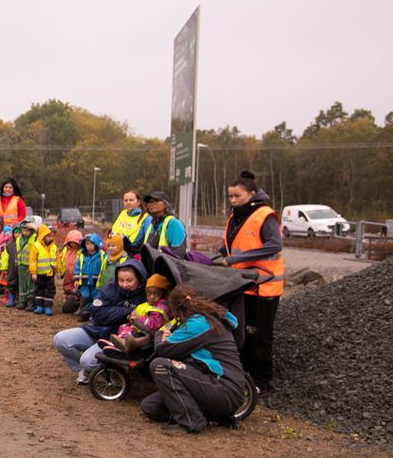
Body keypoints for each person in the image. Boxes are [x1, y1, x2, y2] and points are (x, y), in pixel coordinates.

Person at [140, 284, 248, 433]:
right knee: (150, 407)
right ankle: (213, 416)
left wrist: (160, 334)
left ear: (177, 310)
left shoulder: (198, 324)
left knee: (160, 366)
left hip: (224, 389)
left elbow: (162, 350)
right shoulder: (209, 317)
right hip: (214, 385)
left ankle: (191, 422)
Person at [219, 170, 284, 393]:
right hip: (243, 284)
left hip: (265, 284)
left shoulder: (264, 215)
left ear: (252, 194)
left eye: (237, 196)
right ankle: (244, 374)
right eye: (230, 197)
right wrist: (222, 252)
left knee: (261, 334)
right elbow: (237, 243)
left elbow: (274, 245)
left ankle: (262, 379)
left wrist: (238, 258)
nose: (233, 200)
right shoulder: (236, 216)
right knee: (243, 332)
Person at [53, 260, 146, 384]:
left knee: (88, 360)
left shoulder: (145, 296)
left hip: (115, 338)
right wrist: (127, 311)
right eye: (121, 280)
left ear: (139, 279)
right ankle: (84, 370)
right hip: (95, 329)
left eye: (129, 281)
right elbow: (97, 314)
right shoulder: (110, 288)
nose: (124, 284)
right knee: (60, 339)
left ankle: (114, 373)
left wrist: (111, 311)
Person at [103, 273, 172, 352]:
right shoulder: (147, 304)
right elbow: (138, 312)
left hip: (151, 331)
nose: (152, 297)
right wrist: (131, 315)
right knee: (124, 326)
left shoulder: (161, 307)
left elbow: (154, 324)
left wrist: (137, 319)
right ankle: (121, 341)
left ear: (163, 294)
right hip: (139, 327)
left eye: (156, 294)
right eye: (149, 294)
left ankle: (123, 344)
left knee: (133, 332)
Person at [66, 233, 104, 318]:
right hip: (84, 281)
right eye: (87, 244)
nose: (89, 246)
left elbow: (104, 266)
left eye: (92, 244)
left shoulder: (101, 255)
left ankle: (94, 314)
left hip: (96, 281)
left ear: (96, 244)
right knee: (85, 297)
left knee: (96, 297)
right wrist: (76, 279)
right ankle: (83, 313)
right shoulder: (82, 255)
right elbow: (77, 267)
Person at [29, 224, 58, 315]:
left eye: (51, 236)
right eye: (48, 236)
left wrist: (58, 270)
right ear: (43, 236)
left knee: (50, 290)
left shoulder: (54, 247)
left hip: (50, 273)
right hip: (39, 273)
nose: (50, 237)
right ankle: (39, 306)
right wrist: (33, 273)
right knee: (39, 289)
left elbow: (58, 259)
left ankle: (48, 307)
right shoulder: (36, 246)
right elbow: (32, 260)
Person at [111, 190, 148, 255]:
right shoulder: (123, 213)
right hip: (116, 251)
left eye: (131, 200)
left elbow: (147, 241)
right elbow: (113, 231)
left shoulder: (146, 218)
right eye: (126, 200)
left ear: (138, 202)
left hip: (133, 254)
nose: (128, 202)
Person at [57, 230, 82, 310]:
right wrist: (60, 270)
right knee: (67, 287)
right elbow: (60, 259)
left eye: (75, 242)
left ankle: (77, 302)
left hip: (77, 274)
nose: (73, 244)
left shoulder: (81, 252)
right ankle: (69, 301)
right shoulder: (66, 250)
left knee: (78, 289)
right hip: (67, 273)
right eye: (71, 242)